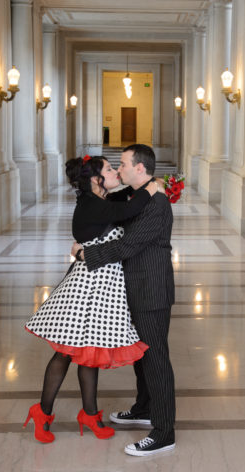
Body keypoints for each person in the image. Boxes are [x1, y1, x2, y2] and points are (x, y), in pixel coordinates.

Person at [23, 155, 159, 444]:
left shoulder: (98, 201)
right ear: (96, 179)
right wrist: (152, 187)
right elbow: (128, 208)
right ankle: (42, 412)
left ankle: (90, 414)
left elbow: (123, 201)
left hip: (104, 286)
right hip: (87, 285)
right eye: (109, 170)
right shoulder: (92, 204)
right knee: (66, 352)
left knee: (90, 353)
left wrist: (144, 186)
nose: (114, 172)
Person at [73, 144, 176, 457]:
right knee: (144, 356)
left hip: (151, 289)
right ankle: (144, 409)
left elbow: (127, 246)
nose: (119, 170)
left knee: (156, 359)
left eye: (124, 165)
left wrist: (84, 254)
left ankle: (164, 432)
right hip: (136, 286)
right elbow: (108, 207)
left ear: (140, 169)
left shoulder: (156, 202)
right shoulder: (136, 194)